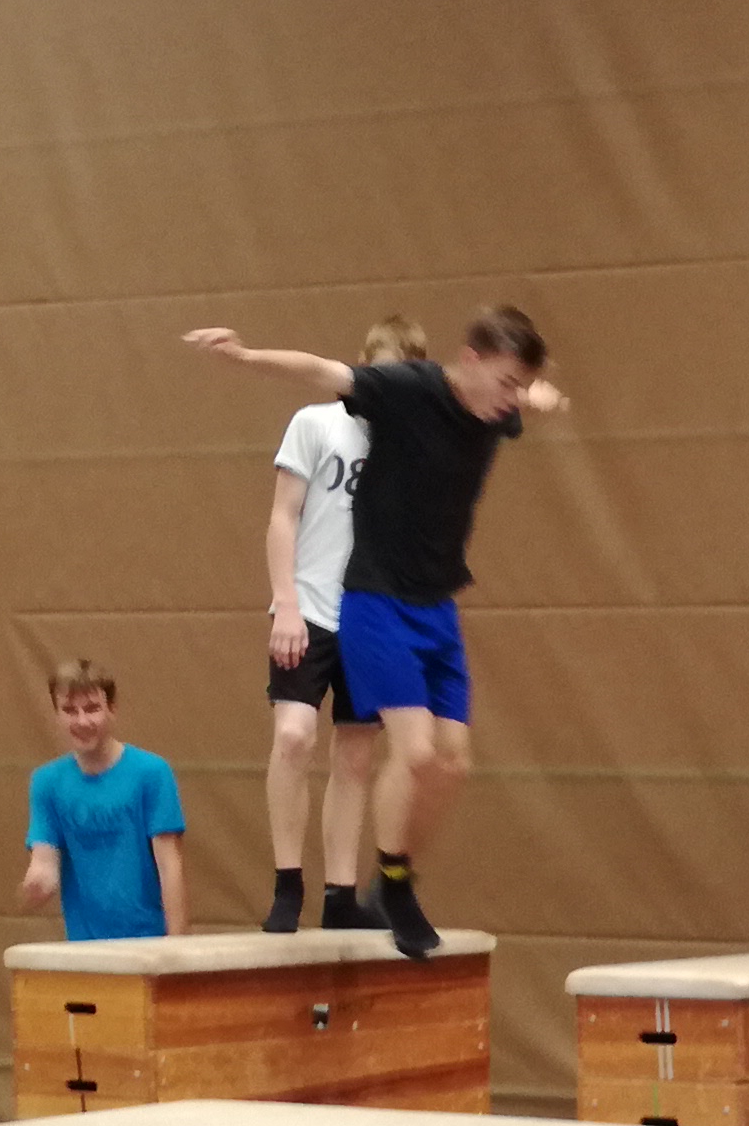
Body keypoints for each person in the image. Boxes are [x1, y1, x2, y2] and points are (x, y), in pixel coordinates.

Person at [185, 304, 562, 957]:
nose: (511, 398)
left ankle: (378, 884)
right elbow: (317, 371)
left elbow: (517, 395)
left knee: (446, 761)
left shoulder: (491, 410)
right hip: (365, 600)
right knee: (382, 748)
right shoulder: (397, 395)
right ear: (468, 361)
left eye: (516, 387)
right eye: (506, 383)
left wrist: (536, 396)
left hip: (434, 605)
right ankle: (352, 881)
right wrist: (246, 356)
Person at [256, 320, 417, 933]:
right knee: (294, 736)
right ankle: (287, 881)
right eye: (380, 374)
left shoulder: (410, 446)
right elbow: (283, 517)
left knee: (354, 755)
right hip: (311, 608)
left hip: (371, 616)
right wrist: (286, 602)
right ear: (361, 369)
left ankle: (340, 894)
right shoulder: (317, 424)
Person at [15, 658, 187, 942]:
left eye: (92, 709)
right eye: (70, 711)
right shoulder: (46, 782)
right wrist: (38, 882)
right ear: (57, 715)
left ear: (112, 709)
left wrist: (176, 946)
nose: (82, 721)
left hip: (149, 944)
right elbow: (44, 860)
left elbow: (170, 865)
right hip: (86, 951)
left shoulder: (151, 773)